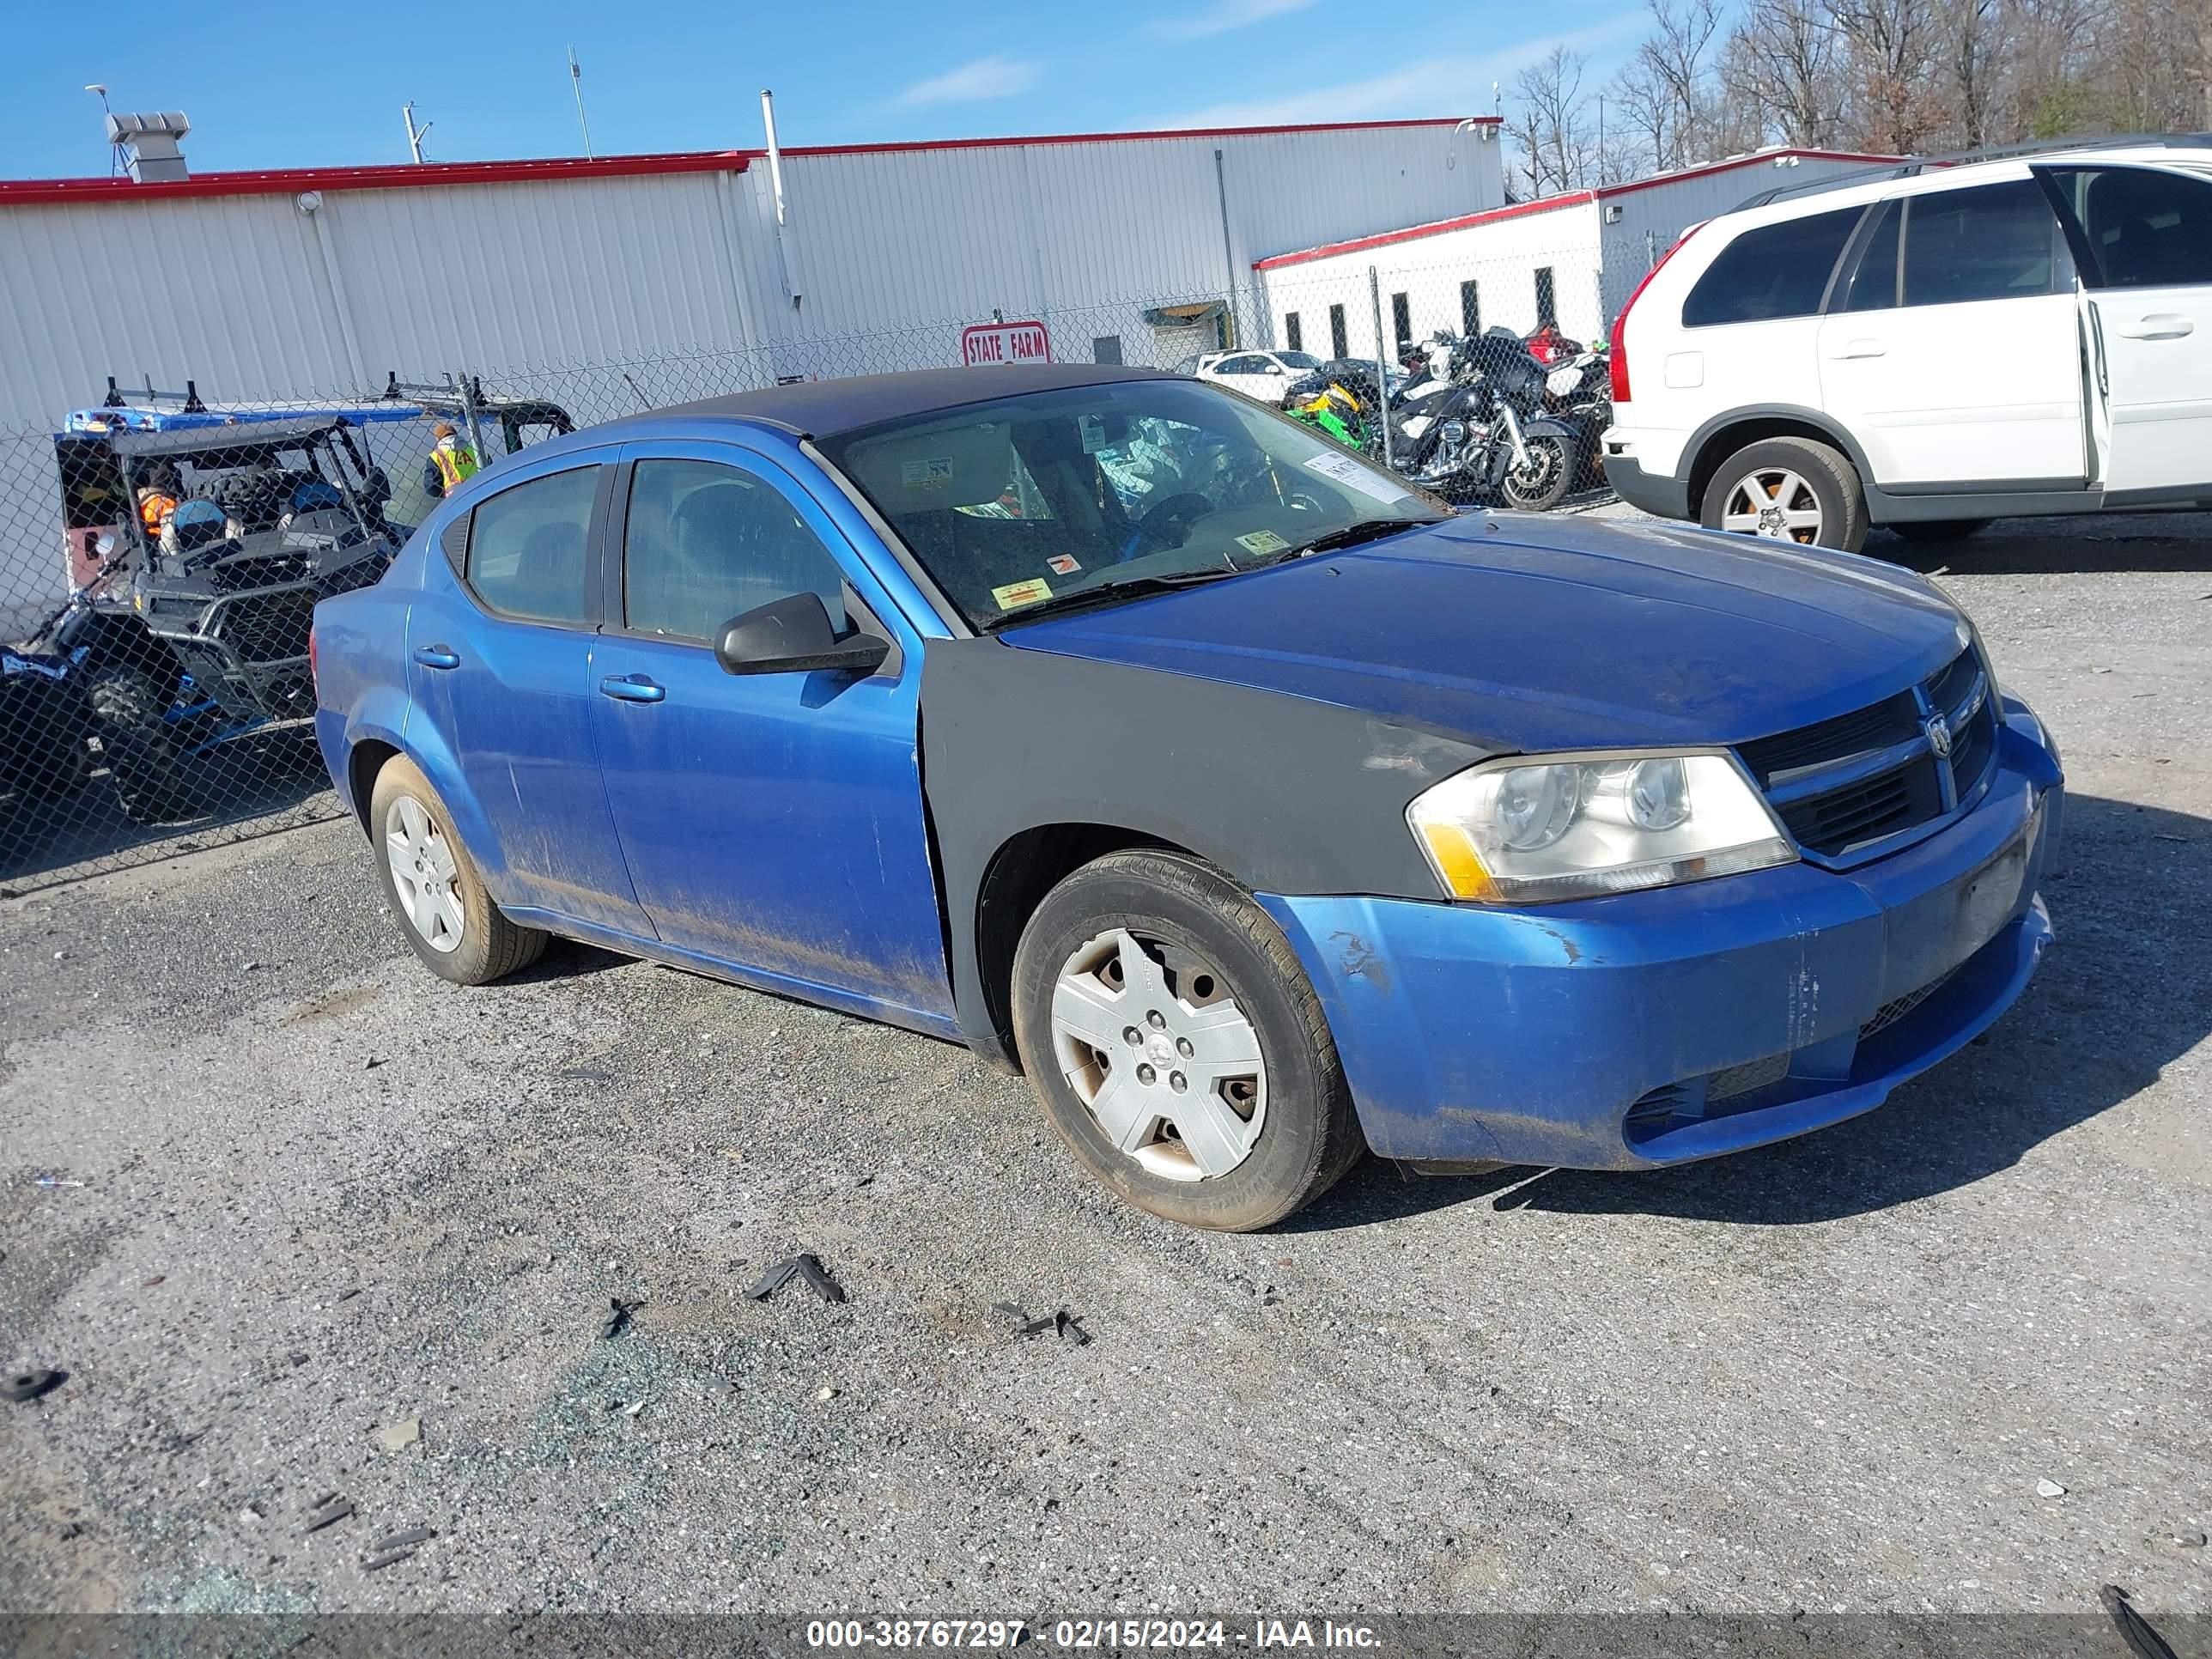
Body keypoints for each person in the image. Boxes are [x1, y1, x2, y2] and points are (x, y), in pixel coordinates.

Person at [421, 422, 480, 501]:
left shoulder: (437, 456)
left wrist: (445, 492)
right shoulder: (476, 450)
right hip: (482, 492)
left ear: (438, 439)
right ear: (456, 434)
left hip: (457, 499)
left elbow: (431, 487)